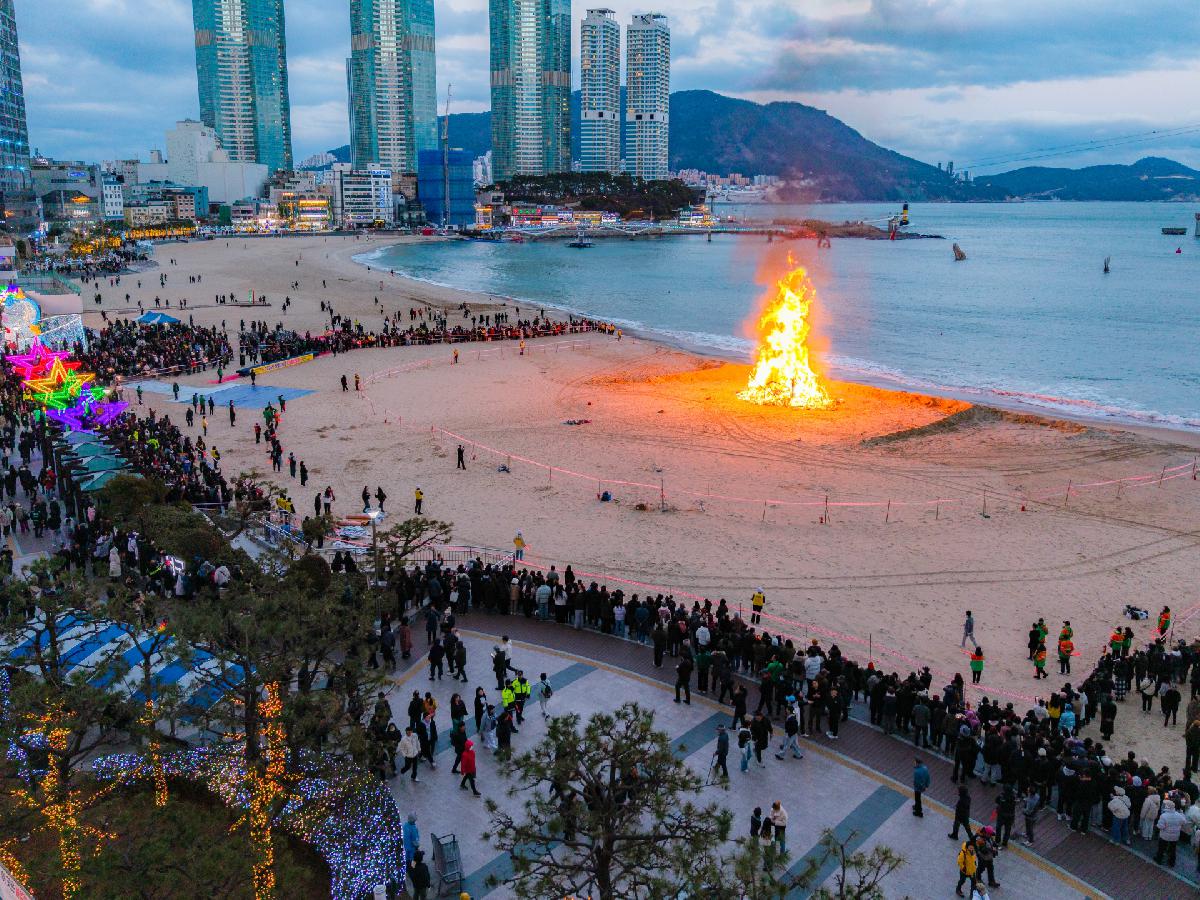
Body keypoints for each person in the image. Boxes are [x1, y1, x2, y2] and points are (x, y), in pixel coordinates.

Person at [1156, 798, 1186, 867]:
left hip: (1164, 836)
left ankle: (1159, 859)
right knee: (1173, 849)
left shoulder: (1164, 816)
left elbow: (1160, 826)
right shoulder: (1178, 815)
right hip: (1175, 836)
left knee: (1161, 848)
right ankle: (1171, 862)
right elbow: (1184, 822)